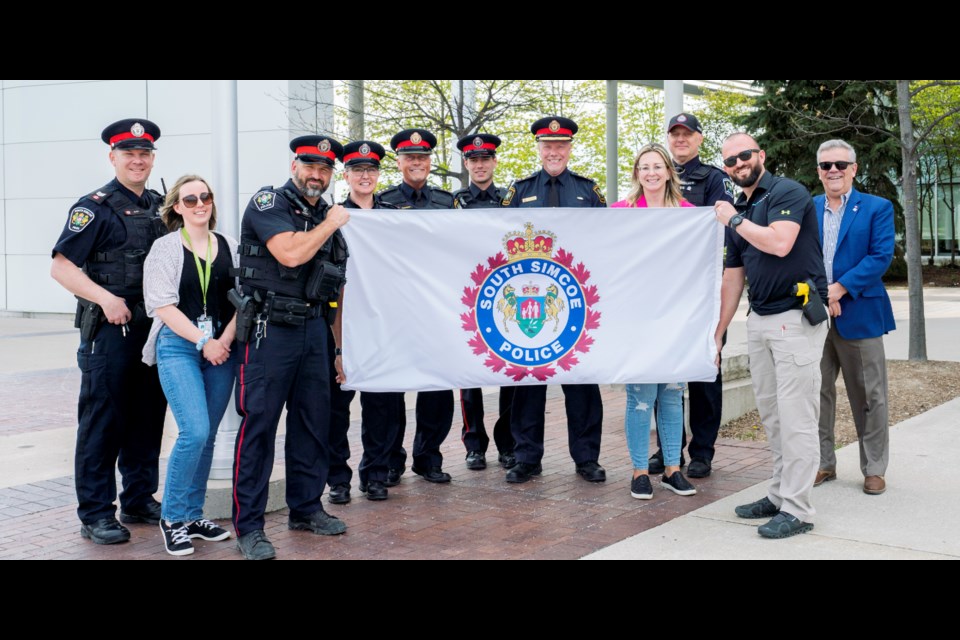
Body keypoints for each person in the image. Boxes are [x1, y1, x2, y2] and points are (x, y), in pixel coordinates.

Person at [50, 118, 167, 545]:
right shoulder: (94, 206)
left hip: (152, 330)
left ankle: (139, 498)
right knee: (103, 423)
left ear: (152, 158)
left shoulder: (160, 205)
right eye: (129, 154)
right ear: (112, 157)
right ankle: (96, 513)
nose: (137, 160)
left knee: (147, 418)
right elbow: (61, 266)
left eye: (144, 154)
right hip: (111, 331)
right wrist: (105, 298)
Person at [232, 135, 351, 560]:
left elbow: (336, 289)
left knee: (312, 424)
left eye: (324, 168)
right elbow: (289, 255)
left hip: (314, 330)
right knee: (259, 428)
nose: (316, 174)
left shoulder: (327, 214)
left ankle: (305, 508)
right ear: (294, 163)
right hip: (270, 331)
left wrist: (337, 349)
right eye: (309, 165)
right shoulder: (270, 203)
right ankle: (249, 528)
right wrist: (332, 223)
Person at [713, 133, 828, 539]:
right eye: (730, 161)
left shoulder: (787, 191)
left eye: (744, 155)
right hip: (760, 319)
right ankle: (780, 494)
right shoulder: (740, 206)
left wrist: (735, 220)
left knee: (797, 419)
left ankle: (798, 509)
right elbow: (733, 276)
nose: (738, 164)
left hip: (795, 319)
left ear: (761, 155)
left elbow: (780, 243)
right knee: (774, 416)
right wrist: (719, 332)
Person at [501, 116, 607, 484]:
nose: (554, 152)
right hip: (535, 296)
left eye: (560, 146)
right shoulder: (519, 192)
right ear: (539, 149)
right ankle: (527, 457)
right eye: (547, 146)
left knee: (581, 384)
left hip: (574, 301)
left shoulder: (588, 192)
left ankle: (586, 458)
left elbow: (606, 241)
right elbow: (498, 240)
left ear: (569, 149)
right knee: (529, 384)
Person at [142, 175, 237, 556]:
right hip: (179, 346)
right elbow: (163, 307)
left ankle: (193, 515)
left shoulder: (228, 244)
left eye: (206, 196)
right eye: (191, 198)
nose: (200, 203)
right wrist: (204, 342)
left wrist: (223, 341)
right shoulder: (164, 249)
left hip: (221, 348)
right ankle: (172, 518)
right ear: (177, 208)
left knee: (209, 434)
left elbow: (243, 300)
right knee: (194, 431)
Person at [646, 112, 735, 479]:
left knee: (703, 374)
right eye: (675, 134)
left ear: (699, 139)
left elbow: (723, 230)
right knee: (662, 372)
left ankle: (702, 452)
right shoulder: (653, 179)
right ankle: (669, 450)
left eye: (687, 134)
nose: (680, 140)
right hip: (662, 294)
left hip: (701, 294)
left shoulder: (714, 179)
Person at [611, 143, 698, 499]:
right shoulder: (621, 211)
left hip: (677, 317)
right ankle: (639, 471)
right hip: (638, 317)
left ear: (668, 171)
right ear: (636, 173)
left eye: (657, 166)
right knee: (642, 396)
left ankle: (673, 468)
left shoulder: (689, 213)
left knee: (673, 394)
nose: (651, 173)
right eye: (644, 167)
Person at [813, 139, 896, 495]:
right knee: (815, 393)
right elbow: (799, 255)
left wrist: (840, 288)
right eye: (827, 165)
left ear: (854, 169)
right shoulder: (808, 207)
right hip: (814, 316)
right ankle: (821, 463)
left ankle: (874, 468)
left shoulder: (877, 207)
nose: (834, 170)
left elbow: (880, 256)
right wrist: (820, 293)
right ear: (819, 171)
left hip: (858, 312)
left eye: (841, 165)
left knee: (869, 395)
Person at [326, 140, 404, 503]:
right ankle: (337, 479)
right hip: (338, 320)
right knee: (335, 409)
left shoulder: (392, 217)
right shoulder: (331, 217)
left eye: (371, 170)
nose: (365, 176)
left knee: (381, 406)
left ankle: (375, 473)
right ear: (347, 175)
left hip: (380, 324)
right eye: (358, 170)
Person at [379, 128, 456, 485]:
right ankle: (392, 460)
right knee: (392, 390)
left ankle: (428, 457)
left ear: (429, 162)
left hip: (436, 309)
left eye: (422, 158)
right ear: (399, 162)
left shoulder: (447, 202)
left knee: (437, 389)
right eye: (410, 158)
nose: (417, 163)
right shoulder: (382, 202)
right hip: (396, 307)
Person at [452, 132, 517, 471]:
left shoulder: (512, 200)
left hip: (503, 294)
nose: (479, 165)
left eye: (485, 159)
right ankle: (474, 444)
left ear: (494, 162)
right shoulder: (453, 203)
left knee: (510, 371)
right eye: (473, 160)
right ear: (466, 163)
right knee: (469, 376)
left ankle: (507, 443)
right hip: (467, 297)